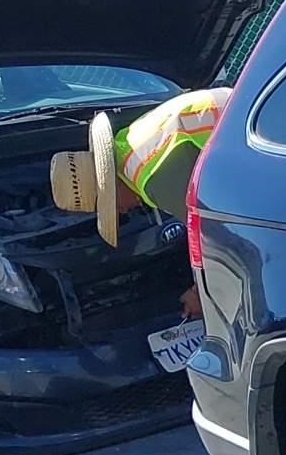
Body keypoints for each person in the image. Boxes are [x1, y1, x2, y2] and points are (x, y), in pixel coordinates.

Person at [49, 88, 231, 317]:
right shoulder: (129, 141)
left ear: (111, 187)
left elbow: (223, 235)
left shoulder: (150, 175)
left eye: (111, 205)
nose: (122, 211)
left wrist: (203, 294)